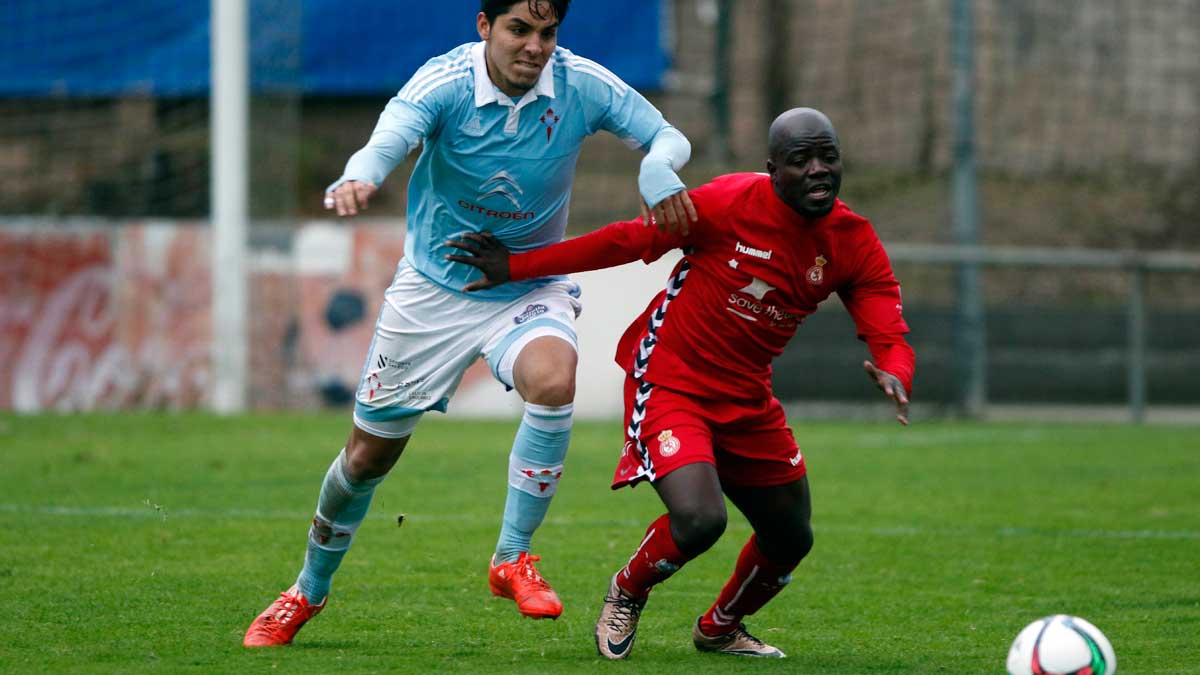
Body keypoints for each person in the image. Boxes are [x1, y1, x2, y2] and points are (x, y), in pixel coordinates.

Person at [243, 0, 697, 647]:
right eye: (519, 29)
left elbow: (668, 134)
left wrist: (657, 167)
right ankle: (305, 590)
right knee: (366, 457)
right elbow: (390, 134)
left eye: (547, 32)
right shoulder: (445, 83)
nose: (535, 46)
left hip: (524, 285)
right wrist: (360, 174)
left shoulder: (580, 85)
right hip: (430, 295)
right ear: (484, 26)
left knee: (553, 377)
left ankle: (512, 556)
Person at [446, 107, 915, 659]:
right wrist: (518, 265)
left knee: (791, 536)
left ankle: (720, 627)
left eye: (828, 157)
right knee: (700, 518)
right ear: (771, 169)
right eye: (800, 160)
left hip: (747, 396)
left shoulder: (850, 239)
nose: (818, 170)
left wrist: (895, 366)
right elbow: (623, 241)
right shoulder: (727, 203)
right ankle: (626, 592)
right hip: (671, 380)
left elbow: (884, 315)